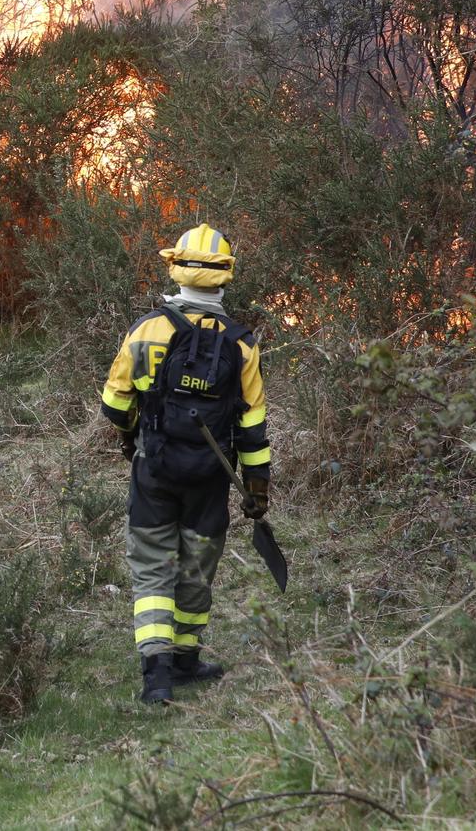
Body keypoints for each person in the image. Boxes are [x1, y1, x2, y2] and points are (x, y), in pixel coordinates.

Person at [99, 224, 271, 706]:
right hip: (211, 477)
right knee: (197, 566)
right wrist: (257, 488)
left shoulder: (147, 329)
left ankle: (156, 675)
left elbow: (113, 406)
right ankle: (187, 659)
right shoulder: (243, 344)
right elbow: (253, 428)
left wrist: (138, 427)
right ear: (225, 275)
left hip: (154, 468)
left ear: (174, 266)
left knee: (153, 568)